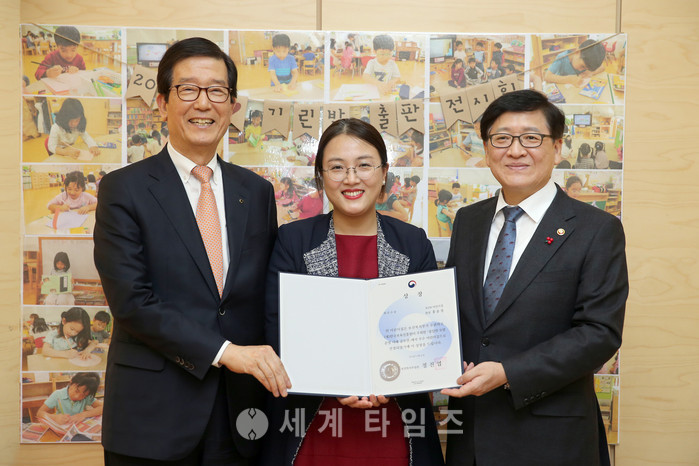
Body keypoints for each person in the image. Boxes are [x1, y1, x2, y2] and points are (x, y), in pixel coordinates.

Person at [93, 37, 290, 464]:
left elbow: (266, 297)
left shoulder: (256, 192)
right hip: (153, 416)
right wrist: (225, 353)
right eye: (188, 89)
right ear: (162, 102)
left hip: (241, 415)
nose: (203, 103)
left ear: (232, 106)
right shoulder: (123, 189)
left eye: (217, 91)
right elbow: (132, 302)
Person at [442, 89, 628, 466]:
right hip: (471, 435)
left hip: (551, 439)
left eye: (531, 138)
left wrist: (508, 372)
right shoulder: (469, 220)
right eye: (501, 139)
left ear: (557, 148)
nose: (515, 151)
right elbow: (454, 313)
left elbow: (599, 332)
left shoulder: (596, 229)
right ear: (486, 149)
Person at [261, 118, 444, 466]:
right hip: (312, 424)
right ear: (320, 177)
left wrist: (391, 380)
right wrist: (335, 381)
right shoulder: (293, 240)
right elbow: (278, 329)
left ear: (384, 172)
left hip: (396, 424)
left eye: (364, 165)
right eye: (337, 167)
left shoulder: (412, 242)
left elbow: (426, 333)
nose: (351, 178)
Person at [37, 372, 103, 425]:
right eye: (77, 391)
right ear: (71, 382)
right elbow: (39, 413)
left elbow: (103, 407)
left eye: (84, 395)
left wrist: (83, 414)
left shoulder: (87, 397)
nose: (77, 396)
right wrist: (54, 418)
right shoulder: (57, 394)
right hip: (61, 426)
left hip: (76, 427)